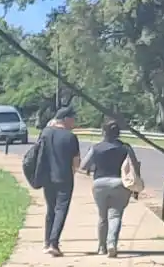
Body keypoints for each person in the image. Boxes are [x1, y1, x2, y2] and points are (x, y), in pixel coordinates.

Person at [80, 119, 140, 258]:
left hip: (100, 184)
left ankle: (101, 247)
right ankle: (112, 243)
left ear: (103, 132)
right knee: (115, 215)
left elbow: (83, 166)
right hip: (120, 183)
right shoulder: (126, 148)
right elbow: (135, 166)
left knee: (102, 216)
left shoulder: (96, 148)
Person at [39, 106, 81, 257]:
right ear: (66, 119)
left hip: (47, 177)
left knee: (51, 209)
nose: (74, 122)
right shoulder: (70, 137)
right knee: (61, 209)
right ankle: (54, 243)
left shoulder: (45, 133)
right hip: (64, 177)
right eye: (73, 118)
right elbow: (76, 162)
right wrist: (73, 172)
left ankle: (46, 242)